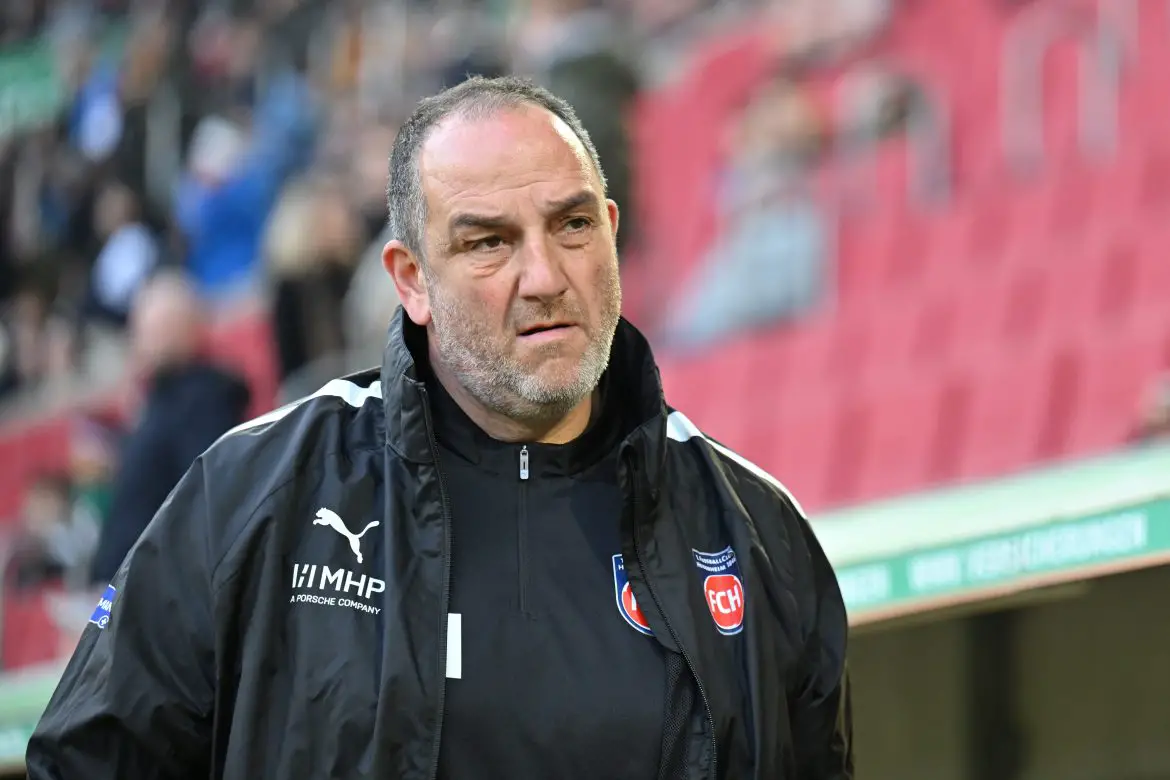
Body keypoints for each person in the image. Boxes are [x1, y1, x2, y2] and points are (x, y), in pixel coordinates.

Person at [27, 76, 853, 780]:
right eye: (489, 242)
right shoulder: (254, 495)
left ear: (610, 231)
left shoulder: (755, 531)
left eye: (572, 226)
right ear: (412, 279)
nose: (545, 276)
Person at [86, 271, 251, 586]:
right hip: (118, 583)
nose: (138, 341)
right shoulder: (159, 401)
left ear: (184, 328)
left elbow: (202, 496)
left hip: (147, 589)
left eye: (150, 329)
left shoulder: (204, 398)